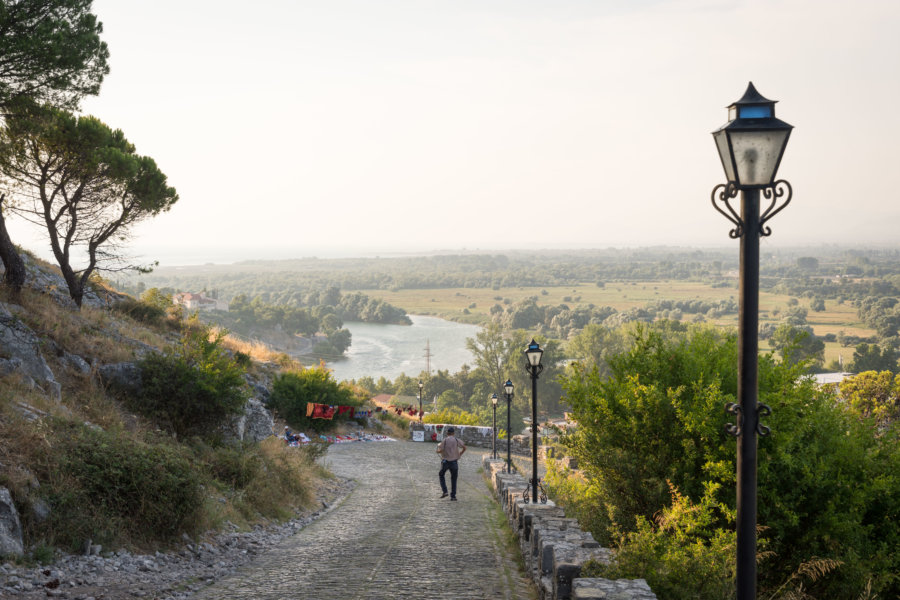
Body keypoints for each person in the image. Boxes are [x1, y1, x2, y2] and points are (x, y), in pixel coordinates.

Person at [436, 426, 466, 500]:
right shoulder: (456, 440)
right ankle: (453, 496)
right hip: (454, 462)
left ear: (447, 433)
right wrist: (459, 454)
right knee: (454, 479)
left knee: (441, 475)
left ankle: (445, 491)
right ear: (453, 433)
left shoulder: (445, 440)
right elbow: (464, 447)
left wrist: (437, 451)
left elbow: (441, 450)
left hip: (446, 461)